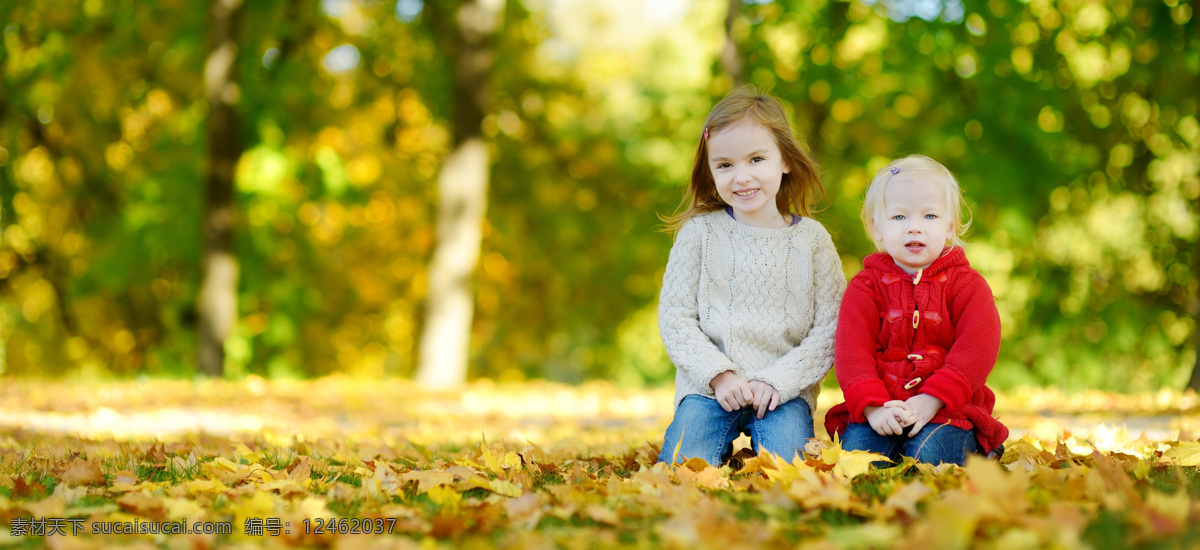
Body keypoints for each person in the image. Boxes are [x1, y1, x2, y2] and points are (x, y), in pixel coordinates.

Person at [656, 86, 846, 466]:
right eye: (725, 165)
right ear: (710, 171)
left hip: (783, 392)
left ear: (786, 161)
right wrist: (718, 375)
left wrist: (778, 381)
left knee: (789, 468)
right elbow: (675, 320)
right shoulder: (699, 233)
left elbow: (830, 329)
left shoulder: (812, 241)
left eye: (756, 159)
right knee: (681, 467)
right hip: (709, 389)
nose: (741, 177)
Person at [824, 155, 1008, 466]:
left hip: (948, 411)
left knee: (929, 457)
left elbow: (978, 347)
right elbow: (852, 351)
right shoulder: (866, 287)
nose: (914, 228)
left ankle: (976, 451)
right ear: (876, 228)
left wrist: (932, 400)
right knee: (858, 460)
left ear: (950, 226)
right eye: (899, 218)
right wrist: (873, 407)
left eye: (930, 217)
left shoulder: (966, 285)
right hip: (882, 409)